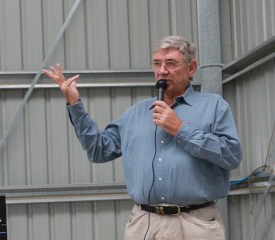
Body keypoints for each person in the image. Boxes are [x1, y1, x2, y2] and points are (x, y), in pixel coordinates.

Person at [43, 35, 242, 240]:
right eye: (157, 63)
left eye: (171, 63)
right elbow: (98, 150)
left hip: (196, 224)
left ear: (191, 68)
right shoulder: (135, 114)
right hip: (145, 224)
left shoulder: (214, 107)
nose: (162, 70)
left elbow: (231, 156)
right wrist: (75, 104)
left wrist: (181, 129)